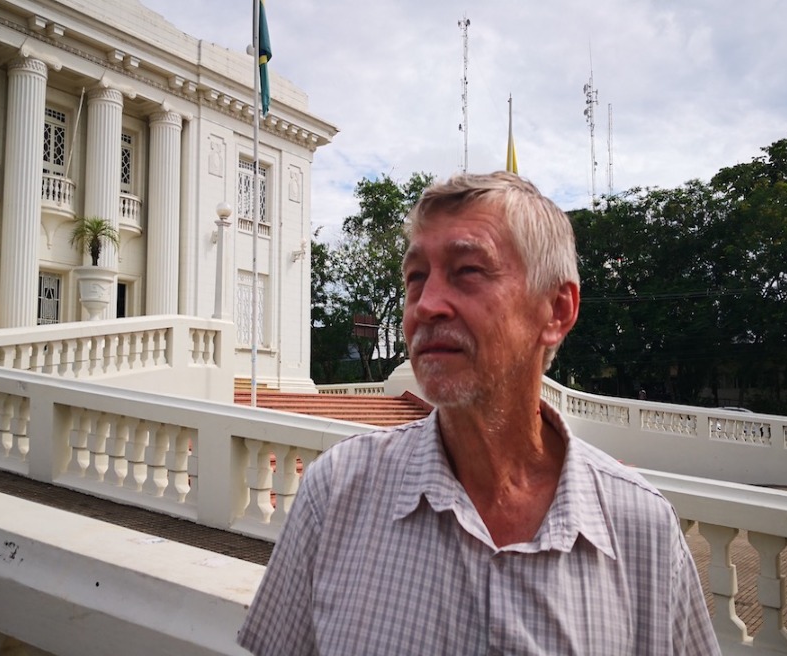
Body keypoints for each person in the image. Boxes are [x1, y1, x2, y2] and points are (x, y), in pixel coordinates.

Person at [237, 172, 720, 655]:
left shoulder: (642, 530)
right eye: (415, 277)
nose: (426, 306)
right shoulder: (337, 493)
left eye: (468, 271)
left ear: (556, 310)